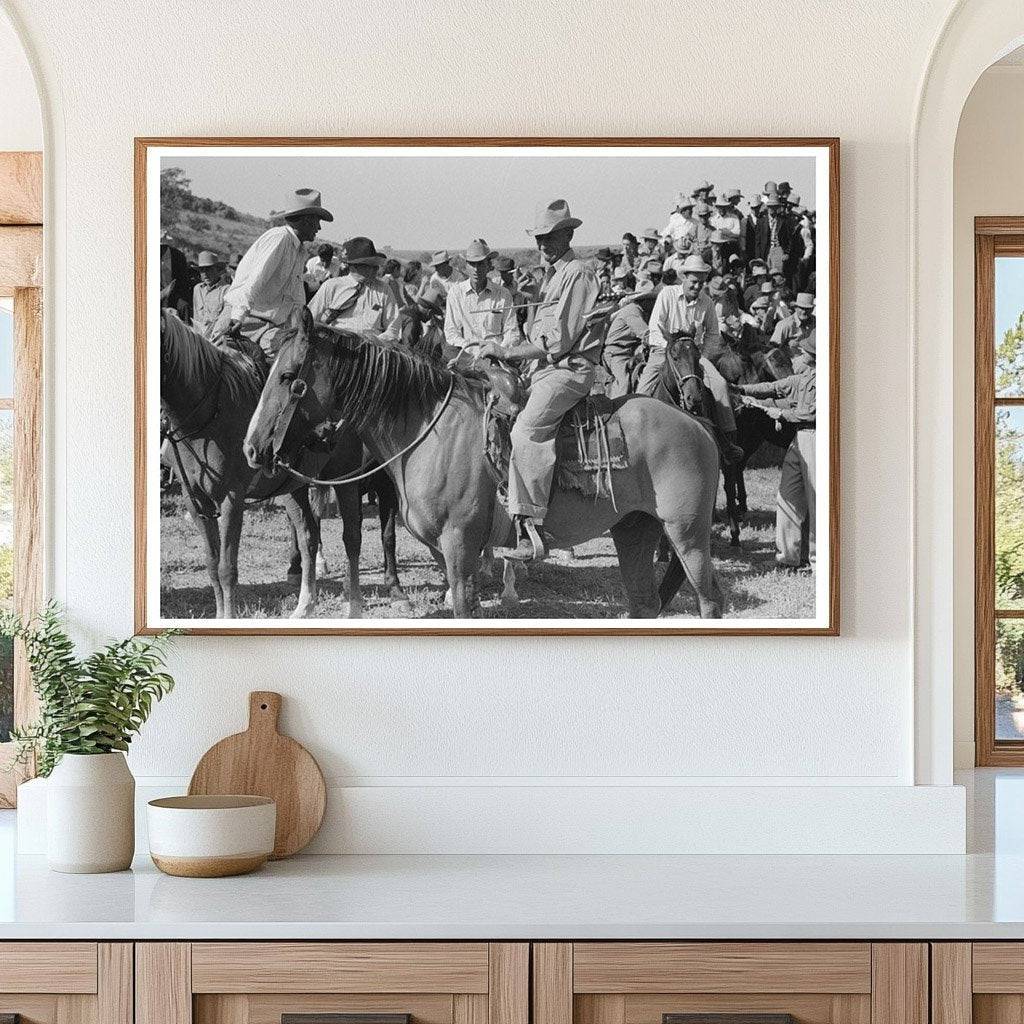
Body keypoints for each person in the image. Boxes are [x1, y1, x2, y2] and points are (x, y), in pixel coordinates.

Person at [476, 199, 601, 562]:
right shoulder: (552, 275)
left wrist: (507, 351)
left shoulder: (576, 273)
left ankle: (531, 528)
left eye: (549, 238)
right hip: (547, 368)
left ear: (568, 235)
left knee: (525, 432)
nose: (541, 245)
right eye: (538, 238)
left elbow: (559, 341)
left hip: (569, 370)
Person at [635, 254, 743, 462]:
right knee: (643, 389)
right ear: (683, 278)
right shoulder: (667, 294)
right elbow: (655, 327)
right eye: (693, 282)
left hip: (694, 355)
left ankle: (727, 441)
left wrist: (702, 354)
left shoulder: (707, 303)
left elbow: (713, 334)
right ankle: (636, 438)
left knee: (720, 385)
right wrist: (670, 348)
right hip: (665, 351)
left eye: (701, 283)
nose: (696, 286)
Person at [214, 187, 333, 359]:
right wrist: (237, 316)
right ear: (306, 220)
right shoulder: (280, 239)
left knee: (301, 358)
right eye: (317, 221)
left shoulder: (298, 251)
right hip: (244, 321)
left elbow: (296, 300)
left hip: (267, 328)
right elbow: (254, 280)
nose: (319, 227)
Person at [732, 331, 817, 568]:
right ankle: (787, 558)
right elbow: (774, 386)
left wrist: (781, 413)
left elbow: (812, 413)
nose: (799, 352)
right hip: (799, 439)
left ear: (813, 356)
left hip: (816, 438)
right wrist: (741, 390)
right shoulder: (804, 376)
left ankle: (817, 561)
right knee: (787, 497)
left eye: (805, 351)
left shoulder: (826, 378)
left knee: (815, 500)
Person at [307, 236, 401, 342]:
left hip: (370, 350)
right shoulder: (331, 286)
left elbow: (393, 327)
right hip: (335, 346)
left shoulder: (384, 290)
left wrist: (375, 343)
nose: (376, 269)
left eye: (376, 265)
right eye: (370, 265)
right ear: (354, 266)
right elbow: (309, 319)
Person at [443, 239, 519, 358]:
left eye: (480, 264)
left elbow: (512, 331)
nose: (476, 269)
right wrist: (471, 349)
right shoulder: (456, 293)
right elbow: (451, 332)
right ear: (466, 266)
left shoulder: (503, 294)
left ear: (488, 266)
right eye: (472, 264)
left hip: (496, 357)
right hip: (466, 355)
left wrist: (500, 351)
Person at [603, 279, 653, 399]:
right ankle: (616, 407)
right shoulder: (632, 311)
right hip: (616, 352)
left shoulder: (642, 311)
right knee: (623, 381)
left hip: (630, 350)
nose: (654, 303)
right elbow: (646, 335)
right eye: (652, 300)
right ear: (644, 300)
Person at [191, 251, 229, 338]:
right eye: (202, 270)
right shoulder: (197, 289)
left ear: (217, 270)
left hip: (217, 338)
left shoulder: (226, 290)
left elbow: (224, 320)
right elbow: (196, 316)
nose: (205, 274)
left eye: (208, 269)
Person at [770, 291, 816, 358]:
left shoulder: (816, 322)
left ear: (812, 309)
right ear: (796, 308)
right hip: (793, 362)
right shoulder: (785, 325)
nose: (804, 311)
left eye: (807, 309)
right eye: (801, 308)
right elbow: (773, 350)